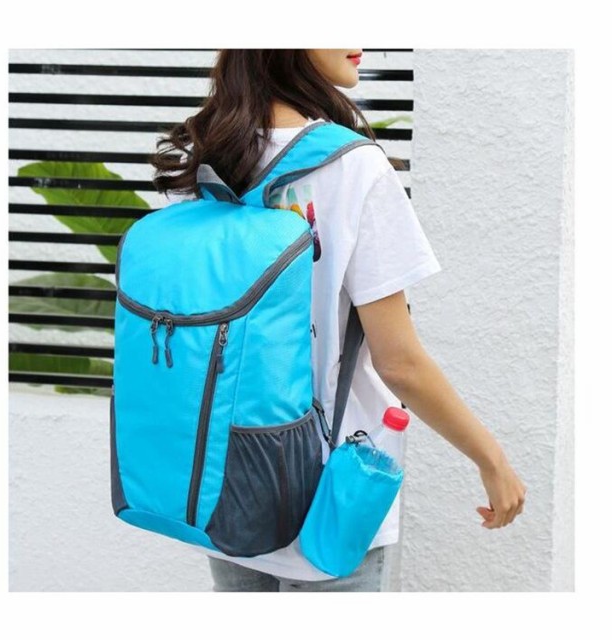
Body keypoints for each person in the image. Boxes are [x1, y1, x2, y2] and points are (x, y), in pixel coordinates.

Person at [150, 49, 527, 592]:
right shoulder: (353, 167)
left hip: (227, 477)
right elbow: (399, 363)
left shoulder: (207, 158)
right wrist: (492, 459)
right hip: (332, 491)